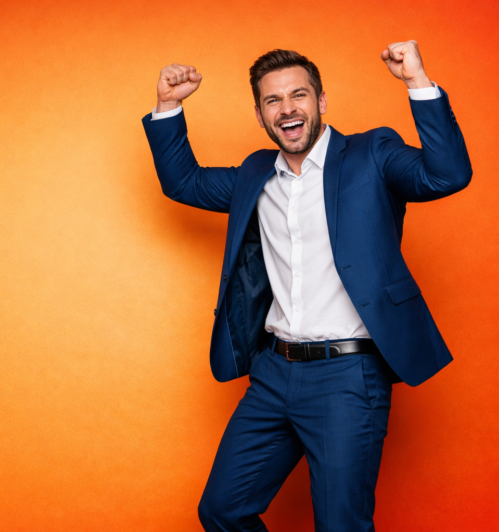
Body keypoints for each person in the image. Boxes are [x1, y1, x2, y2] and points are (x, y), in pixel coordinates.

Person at [141, 42, 471, 532]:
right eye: (273, 101)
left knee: (341, 524)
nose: (287, 108)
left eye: (299, 95)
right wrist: (169, 105)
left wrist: (416, 82)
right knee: (222, 510)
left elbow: (447, 174)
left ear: (320, 101)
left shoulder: (371, 155)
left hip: (348, 376)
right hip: (273, 372)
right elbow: (183, 183)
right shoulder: (256, 174)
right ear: (260, 115)